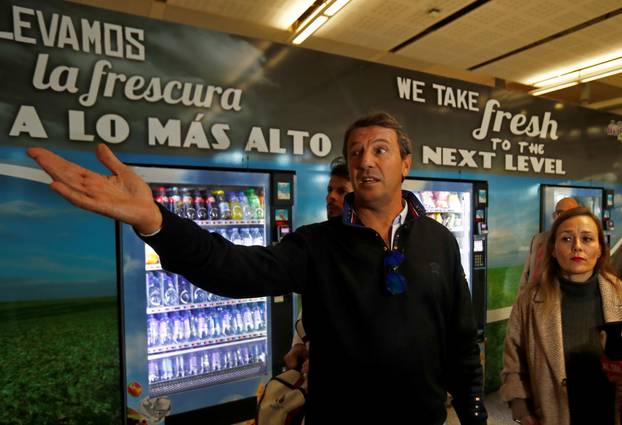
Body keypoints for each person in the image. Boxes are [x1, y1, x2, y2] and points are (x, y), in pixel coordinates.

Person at [27, 111, 486, 424]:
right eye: (356, 151)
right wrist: (155, 222)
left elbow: (461, 340)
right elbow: (233, 267)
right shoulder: (316, 244)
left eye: (380, 150)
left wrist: (476, 415)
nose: (365, 160)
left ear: (406, 164)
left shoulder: (439, 241)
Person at [501, 207, 622, 425]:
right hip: (551, 416)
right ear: (554, 250)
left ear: (600, 250)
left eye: (587, 239)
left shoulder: (620, 295)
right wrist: (522, 411)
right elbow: (513, 365)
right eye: (566, 238)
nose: (577, 246)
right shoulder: (529, 302)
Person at [283, 159, 353, 373]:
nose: (331, 197)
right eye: (330, 190)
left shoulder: (376, 250)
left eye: (341, 191)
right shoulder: (319, 242)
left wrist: (331, 357)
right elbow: (312, 304)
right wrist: (299, 343)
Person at [519, 197, 580, 287]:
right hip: (533, 297)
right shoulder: (538, 239)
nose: (563, 217)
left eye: (569, 214)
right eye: (560, 213)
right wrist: (521, 298)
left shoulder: (580, 244)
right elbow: (526, 275)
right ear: (554, 216)